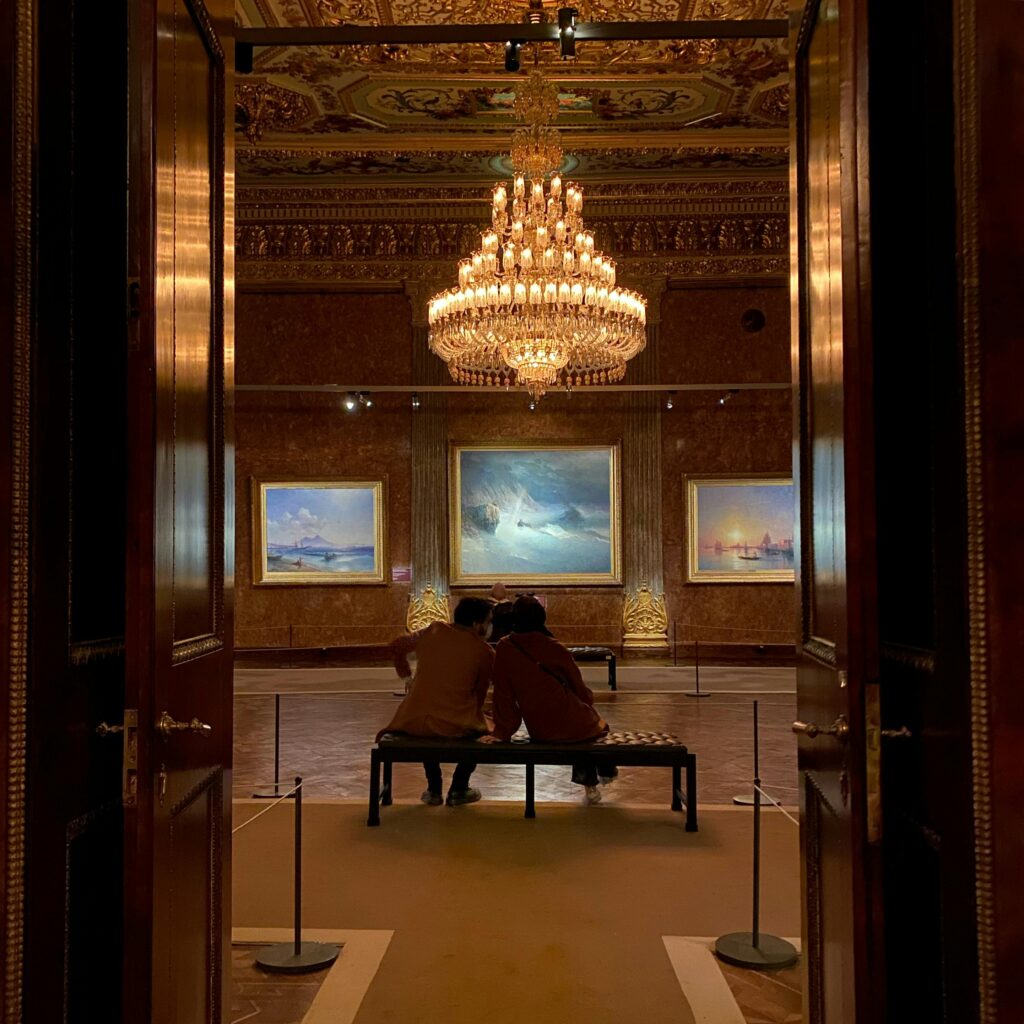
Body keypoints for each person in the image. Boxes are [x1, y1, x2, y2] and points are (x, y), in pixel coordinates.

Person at [483, 595, 617, 804]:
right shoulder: (554, 647)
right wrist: (587, 702)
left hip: (540, 727)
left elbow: (503, 693)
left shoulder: (504, 647)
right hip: (572, 720)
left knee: (582, 730)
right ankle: (597, 778)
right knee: (591, 729)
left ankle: (595, 781)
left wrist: (503, 730)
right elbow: (579, 688)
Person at [379, 597, 494, 807]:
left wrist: (408, 678)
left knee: (426, 719)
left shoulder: (433, 631)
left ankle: (433, 787)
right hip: (455, 723)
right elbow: (479, 694)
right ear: (478, 625)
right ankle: (459, 787)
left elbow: (396, 646)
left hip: (413, 719)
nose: (490, 627)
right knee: (484, 729)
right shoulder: (484, 651)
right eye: (488, 621)